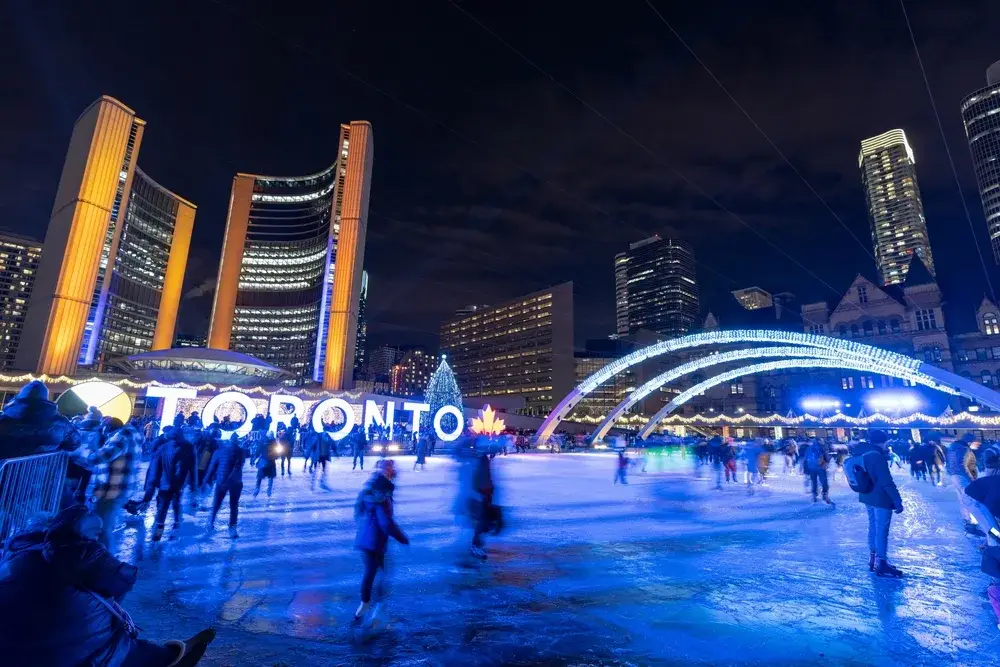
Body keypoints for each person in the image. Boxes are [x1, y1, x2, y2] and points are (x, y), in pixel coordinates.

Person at [0, 506, 215, 666]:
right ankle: (170, 660)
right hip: (66, 655)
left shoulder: (15, 556)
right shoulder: (78, 554)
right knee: (113, 638)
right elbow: (123, 579)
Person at [352, 459, 409, 628]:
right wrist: (401, 537)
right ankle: (370, 606)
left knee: (373, 572)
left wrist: (365, 525)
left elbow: (358, 511)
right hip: (375, 541)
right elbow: (386, 524)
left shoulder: (371, 492)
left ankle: (367, 605)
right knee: (378, 573)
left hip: (366, 539)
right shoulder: (381, 500)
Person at [856, 431, 904, 577]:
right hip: (880, 498)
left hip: (866, 495)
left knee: (873, 527)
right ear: (884, 441)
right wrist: (897, 499)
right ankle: (881, 563)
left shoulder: (862, 452)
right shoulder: (876, 455)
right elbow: (886, 481)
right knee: (882, 531)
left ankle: (873, 559)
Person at [87, 425, 142, 552]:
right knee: (104, 527)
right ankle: (106, 561)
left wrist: (85, 451)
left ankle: (108, 563)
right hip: (116, 489)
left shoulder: (122, 437)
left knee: (103, 528)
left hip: (112, 490)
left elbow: (98, 458)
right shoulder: (130, 434)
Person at [0, 380, 80, 460]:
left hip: (5, 470)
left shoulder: (3, 419)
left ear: (21, 395)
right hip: (42, 470)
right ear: (45, 398)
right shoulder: (61, 423)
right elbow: (74, 443)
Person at [143, 428, 197, 542]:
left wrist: (151, 486)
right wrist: (193, 485)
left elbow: (154, 469)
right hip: (176, 485)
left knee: (163, 509)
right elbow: (192, 468)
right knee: (174, 506)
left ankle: (158, 535)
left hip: (166, 484)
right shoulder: (187, 447)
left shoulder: (164, 448)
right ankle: (174, 529)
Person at [947, 433, 996, 542]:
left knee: (964, 500)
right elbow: (963, 466)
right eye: (976, 442)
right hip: (963, 477)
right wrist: (972, 481)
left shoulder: (953, 448)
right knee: (971, 501)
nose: (978, 445)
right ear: (970, 441)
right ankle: (974, 527)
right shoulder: (964, 449)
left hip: (955, 476)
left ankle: (969, 523)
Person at [204, 433, 245, 538]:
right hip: (235, 482)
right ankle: (232, 528)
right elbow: (238, 467)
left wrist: (205, 481)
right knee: (234, 505)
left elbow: (211, 468)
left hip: (221, 482)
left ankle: (210, 523)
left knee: (216, 504)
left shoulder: (218, 452)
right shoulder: (240, 451)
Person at [804, 439, 833, 504]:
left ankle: (814, 495)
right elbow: (827, 457)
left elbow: (805, 459)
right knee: (824, 481)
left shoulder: (808, 448)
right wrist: (827, 462)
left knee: (814, 482)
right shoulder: (822, 447)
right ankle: (825, 495)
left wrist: (806, 469)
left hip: (811, 467)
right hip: (821, 467)